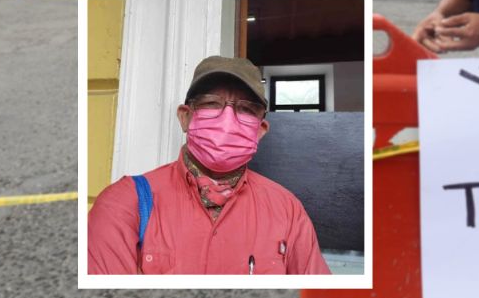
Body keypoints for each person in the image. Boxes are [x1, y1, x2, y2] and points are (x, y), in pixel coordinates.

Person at [88, 57, 332, 275]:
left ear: (260, 131)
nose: (227, 120)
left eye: (246, 109)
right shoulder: (124, 203)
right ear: (185, 117)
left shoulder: (287, 210)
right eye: (211, 104)